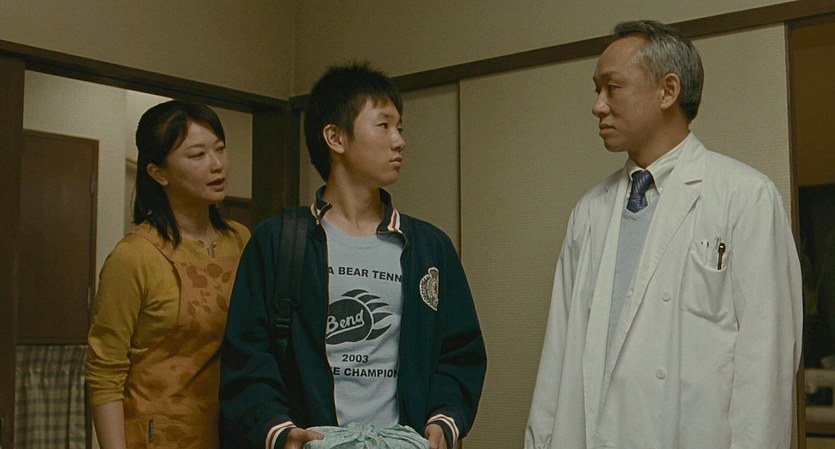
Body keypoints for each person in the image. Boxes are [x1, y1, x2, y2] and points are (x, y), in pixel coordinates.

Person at [525, 20, 802, 449]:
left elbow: (766, 366)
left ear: (668, 90)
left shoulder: (744, 197)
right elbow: (557, 357)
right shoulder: (590, 213)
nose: (598, 106)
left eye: (612, 87)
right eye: (597, 90)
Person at [219, 62, 487, 449]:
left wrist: (444, 420)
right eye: (383, 125)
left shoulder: (429, 247)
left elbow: (459, 351)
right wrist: (278, 429)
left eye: (400, 128)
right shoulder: (279, 241)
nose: (399, 141)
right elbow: (248, 355)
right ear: (335, 137)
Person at [86, 100, 251, 449]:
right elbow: (104, 372)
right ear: (158, 173)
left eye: (220, 149)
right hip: (156, 434)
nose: (217, 164)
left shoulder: (241, 240)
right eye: (198, 155)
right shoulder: (134, 256)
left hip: (231, 429)